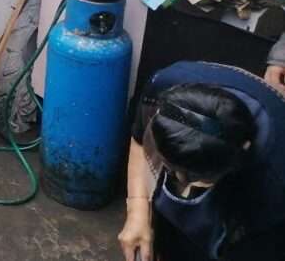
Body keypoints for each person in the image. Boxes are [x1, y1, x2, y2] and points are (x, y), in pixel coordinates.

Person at [118, 61, 285, 261]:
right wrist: (137, 210)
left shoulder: (275, 178)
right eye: (172, 169)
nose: (180, 180)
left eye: (196, 177)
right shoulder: (164, 91)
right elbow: (139, 138)